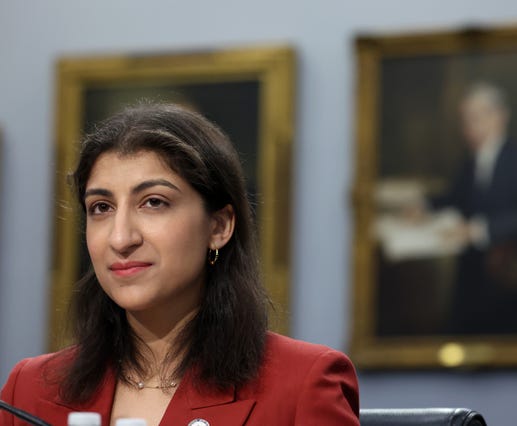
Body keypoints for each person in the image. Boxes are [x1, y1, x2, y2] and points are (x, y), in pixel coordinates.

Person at [0, 103, 359, 425]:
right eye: (101, 208)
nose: (120, 238)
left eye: (154, 202)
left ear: (218, 227)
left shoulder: (302, 384)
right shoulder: (28, 390)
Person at [431, 82, 517, 333]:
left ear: (500, 117)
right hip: (470, 274)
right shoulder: (471, 162)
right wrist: (424, 205)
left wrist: (481, 230)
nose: (468, 128)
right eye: (465, 120)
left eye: (476, 118)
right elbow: (456, 197)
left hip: (508, 276)